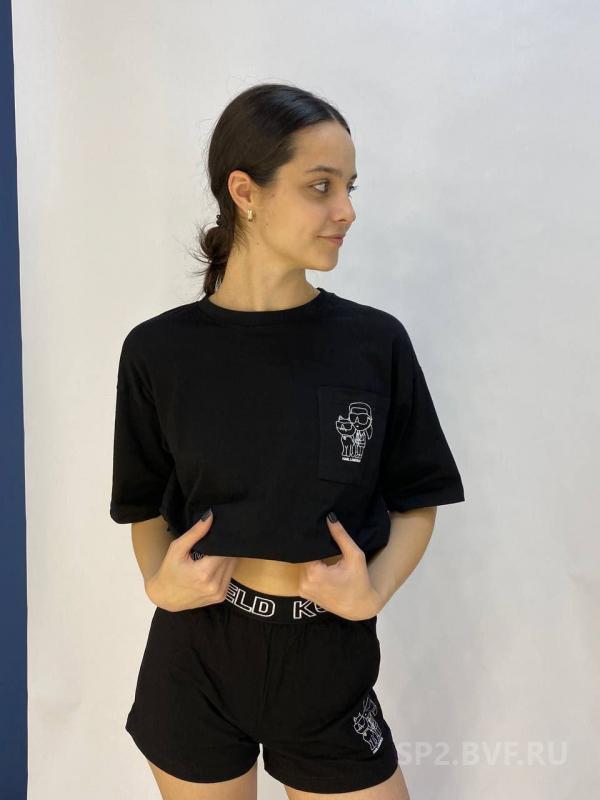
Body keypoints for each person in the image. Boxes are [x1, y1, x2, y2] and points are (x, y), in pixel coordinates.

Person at [110, 82, 465, 800]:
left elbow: (418, 499)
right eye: (320, 186)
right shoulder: (159, 351)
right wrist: (159, 583)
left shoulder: (373, 344)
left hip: (328, 656)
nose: (347, 210)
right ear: (246, 191)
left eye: (349, 187)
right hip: (198, 656)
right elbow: (142, 502)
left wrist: (374, 591)